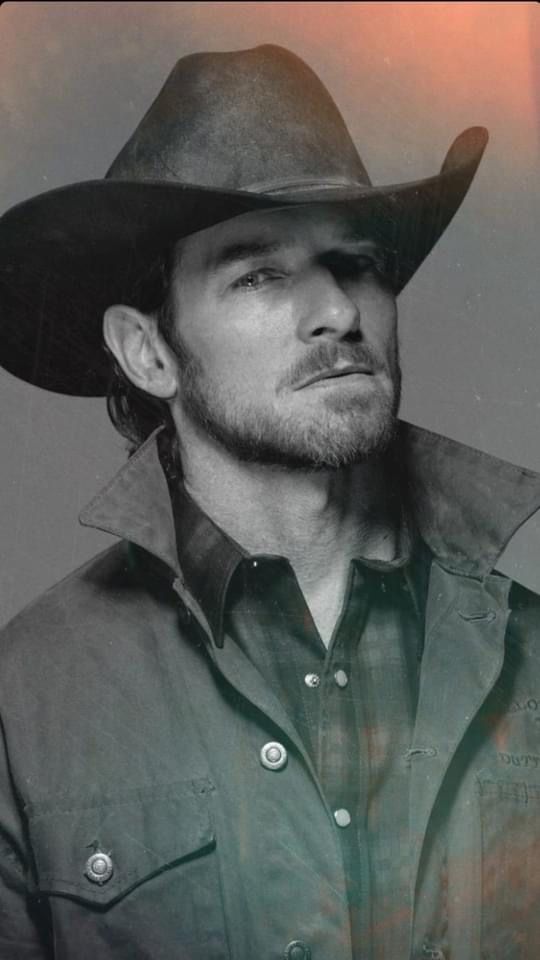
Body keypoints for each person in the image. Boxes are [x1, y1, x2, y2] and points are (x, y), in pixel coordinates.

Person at [0, 43, 539, 960]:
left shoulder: (527, 657)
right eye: (259, 274)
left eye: (357, 261)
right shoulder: (25, 702)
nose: (338, 309)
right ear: (149, 354)